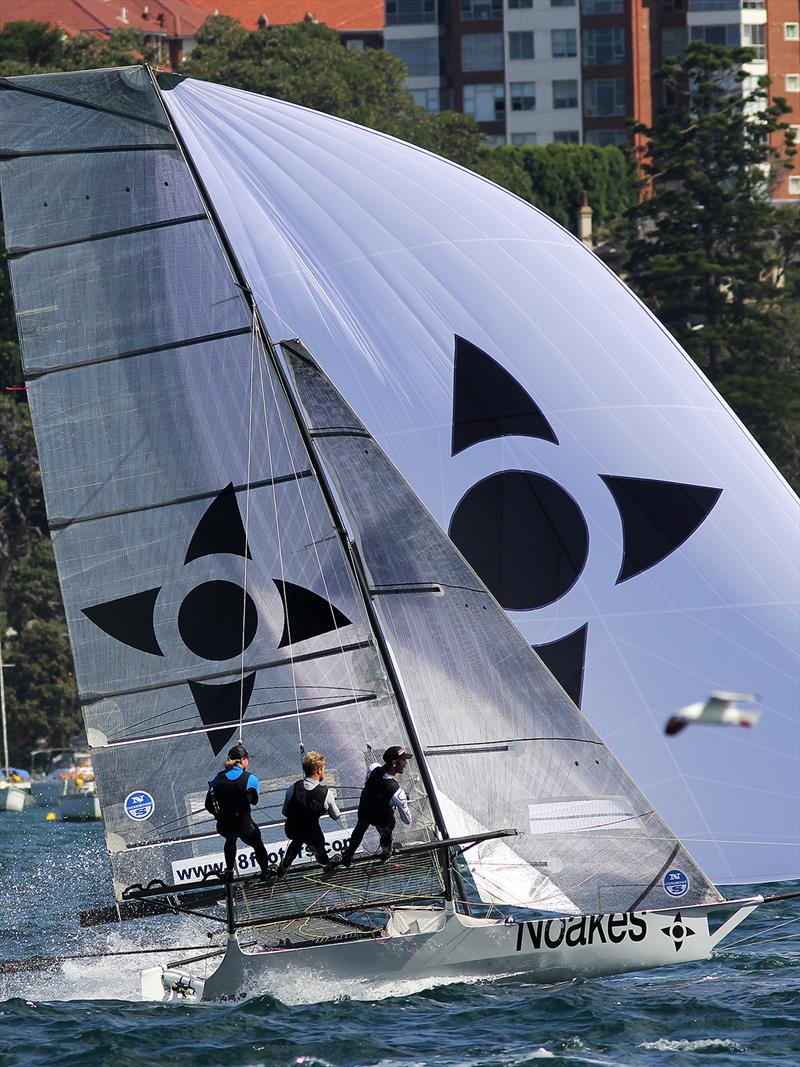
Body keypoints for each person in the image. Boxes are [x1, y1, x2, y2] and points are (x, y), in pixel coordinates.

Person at [205, 743, 271, 881]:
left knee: (230, 840)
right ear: (242, 760)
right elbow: (254, 801)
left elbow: (208, 804)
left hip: (224, 826)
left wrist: (218, 816)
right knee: (258, 844)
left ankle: (229, 872)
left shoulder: (217, 778)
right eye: (247, 758)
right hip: (244, 827)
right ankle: (265, 872)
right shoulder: (250, 778)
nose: (248, 760)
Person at [340, 745, 413, 866]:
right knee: (386, 834)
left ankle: (348, 856)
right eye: (403, 760)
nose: (406, 763)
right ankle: (386, 853)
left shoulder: (374, 768)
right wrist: (401, 801)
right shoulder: (395, 790)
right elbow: (407, 820)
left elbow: (371, 781)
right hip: (381, 818)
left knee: (359, 829)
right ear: (394, 763)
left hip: (365, 809)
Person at [275, 751, 341, 878]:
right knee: (318, 849)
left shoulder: (292, 788)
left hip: (291, 829)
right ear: (319, 770)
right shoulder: (326, 793)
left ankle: (284, 866)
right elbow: (336, 816)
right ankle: (327, 865)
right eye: (324, 769)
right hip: (312, 833)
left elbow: (285, 812)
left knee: (298, 839)